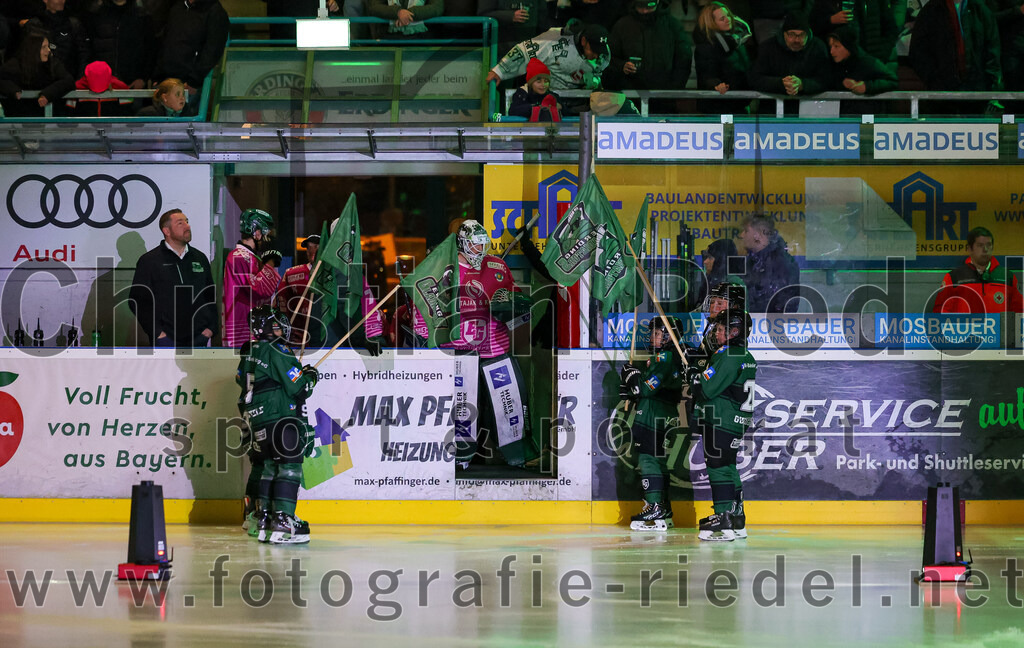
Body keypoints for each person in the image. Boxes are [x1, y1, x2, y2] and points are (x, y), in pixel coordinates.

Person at [448, 219, 537, 469]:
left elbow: (515, 295)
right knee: (463, 405)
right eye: (475, 247)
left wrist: (513, 303)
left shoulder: (497, 265)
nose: (480, 251)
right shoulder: (447, 267)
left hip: (495, 345)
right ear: (463, 244)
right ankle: (461, 456)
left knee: (509, 401)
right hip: (460, 349)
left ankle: (516, 454)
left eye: (482, 246)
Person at [237, 305, 318, 544]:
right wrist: (310, 376)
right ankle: (283, 520)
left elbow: (240, 378)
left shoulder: (250, 351)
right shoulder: (277, 349)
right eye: (274, 323)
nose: (279, 327)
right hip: (281, 416)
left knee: (269, 467)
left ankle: (263, 517)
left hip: (258, 419)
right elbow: (299, 388)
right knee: (289, 468)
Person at [689, 309, 757, 542]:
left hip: (721, 419)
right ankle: (737, 519)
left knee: (717, 466)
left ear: (734, 332)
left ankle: (723, 518)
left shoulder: (729, 355)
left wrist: (693, 375)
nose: (716, 334)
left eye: (720, 330)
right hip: (735, 420)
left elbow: (706, 389)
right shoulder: (745, 355)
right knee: (728, 466)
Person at [620, 315, 686, 531]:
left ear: (669, 337)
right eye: (652, 333)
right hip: (664, 413)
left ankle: (655, 505)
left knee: (648, 458)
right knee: (658, 460)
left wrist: (633, 378)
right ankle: (663, 507)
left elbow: (647, 388)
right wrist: (632, 390)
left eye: (657, 333)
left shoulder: (664, 358)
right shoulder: (669, 357)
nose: (652, 337)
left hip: (652, 416)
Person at [129, 208, 217, 347]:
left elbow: (210, 296)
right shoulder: (150, 261)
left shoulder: (200, 258)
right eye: (180, 223)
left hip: (199, 339)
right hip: (165, 341)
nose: (187, 226)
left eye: (187, 222)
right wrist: (158, 333)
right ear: (167, 231)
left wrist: (210, 329)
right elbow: (138, 301)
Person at [487, 22, 611, 108]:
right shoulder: (555, 40)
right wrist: (499, 71)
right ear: (584, 41)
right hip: (550, 99)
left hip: (583, 101)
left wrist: (594, 82)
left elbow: (599, 75)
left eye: (599, 51)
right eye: (593, 50)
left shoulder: (604, 55)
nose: (596, 55)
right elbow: (524, 51)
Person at [909, 0, 1002, 107]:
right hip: (941, 94)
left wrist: (989, 83)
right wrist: (934, 80)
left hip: (977, 92)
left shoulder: (980, 10)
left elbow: (992, 50)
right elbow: (918, 51)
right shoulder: (931, 10)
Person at [604, 0, 692, 110]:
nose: (645, 11)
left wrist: (673, 89)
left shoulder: (672, 25)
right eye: (641, 7)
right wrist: (622, 66)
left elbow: (683, 60)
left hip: (664, 96)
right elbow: (610, 57)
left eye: (649, 7)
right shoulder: (622, 26)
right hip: (630, 95)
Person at [223, 208, 282, 348]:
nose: (269, 239)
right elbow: (259, 290)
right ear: (256, 232)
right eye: (267, 233)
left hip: (256, 330)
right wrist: (270, 261)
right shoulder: (238, 256)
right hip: (242, 333)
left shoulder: (253, 258)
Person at [152, 0, 229, 106]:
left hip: (188, 84)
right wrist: (157, 75)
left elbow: (213, 51)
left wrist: (194, 82)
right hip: (164, 81)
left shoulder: (216, 12)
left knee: (186, 121)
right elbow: (163, 40)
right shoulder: (175, 6)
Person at [933, 227, 1024, 314]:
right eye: (980, 245)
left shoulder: (1007, 277)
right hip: (966, 330)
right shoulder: (954, 277)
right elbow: (940, 313)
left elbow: (1020, 313)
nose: (985, 250)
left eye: (988, 245)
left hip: (999, 330)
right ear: (969, 249)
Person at [749, 11, 832, 97]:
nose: (796, 40)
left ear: (808, 34)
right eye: (791, 35)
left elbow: (826, 80)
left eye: (801, 35)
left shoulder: (818, 47)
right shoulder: (768, 47)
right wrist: (781, 83)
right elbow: (754, 79)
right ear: (784, 33)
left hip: (810, 105)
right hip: (772, 105)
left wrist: (803, 85)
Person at [694, 1, 754, 113]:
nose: (728, 20)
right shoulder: (706, 46)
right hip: (716, 108)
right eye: (722, 19)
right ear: (712, 23)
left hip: (739, 105)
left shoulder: (738, 42)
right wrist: (715, 84)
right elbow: (705, 73)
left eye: (728, 16)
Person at [83, 0, 156, 89]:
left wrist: (143, 78)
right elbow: (87, 50)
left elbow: (151, 50)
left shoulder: (142, 16)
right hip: (101, 85)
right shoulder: (95, 15)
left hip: (133, 85)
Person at [737, 213, 801, 313]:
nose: (741, 235)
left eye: (746, 231)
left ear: (757, 235)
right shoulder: (751, 262)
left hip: (769, 325)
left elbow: (782, 304)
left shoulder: (781, 263)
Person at [0, 33, 74, 117]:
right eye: (44, 47)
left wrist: (47, 94)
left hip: (47, 117)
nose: (49, 50)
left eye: (48, 46)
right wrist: (13, 91)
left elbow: (68, 80)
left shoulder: (53, 64)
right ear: (33, 50)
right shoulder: (15, 65)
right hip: (19, 117)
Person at [810, 0, 898, 62]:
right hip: (836, 64)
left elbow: (891, 29)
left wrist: (882, 53)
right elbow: (812, 28)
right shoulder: (825, 2)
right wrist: (830, 20)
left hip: (870, 60)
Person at [276, 233, 322, 346]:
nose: (312, 251)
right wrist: (286, 332)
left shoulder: (333, 276)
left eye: (317, 247)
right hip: (299, 339)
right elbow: (281, 304)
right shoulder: (291, 274)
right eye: (309, 247)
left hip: (326, 338)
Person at [23, 0, 91, 77]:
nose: (61, 1)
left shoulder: (73, 24)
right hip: (40, 82)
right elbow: (26, 56)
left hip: (70, 81)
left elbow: (83, 55)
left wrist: (80, 80)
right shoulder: (33, 25)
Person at [827, 24, 898, 95]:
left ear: (848, 47)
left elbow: (893, 81)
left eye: (836, 46)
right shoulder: (833, 64)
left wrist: (867, 86)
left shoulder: (868, 62)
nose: (831, 51)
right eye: (831, 46)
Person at [478, 0, 551, 57]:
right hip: (503, 47)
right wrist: (510, 16)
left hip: (531, 47)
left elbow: (543, 16)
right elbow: (483, 14)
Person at [507, 57, 562, 121]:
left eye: (546, 81)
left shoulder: (552, 96)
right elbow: (513, 111)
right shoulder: (522, 94)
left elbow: (567, 112)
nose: (543, 85)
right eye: (539, 82)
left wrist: (559, 107)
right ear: (531, 83)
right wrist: (537, 107)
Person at [366, 0, 445, 39]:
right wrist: (398, 12)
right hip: (390, 38)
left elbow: (437, 7)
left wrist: (407, 14)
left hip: (422, 38)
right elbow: (374, 7)